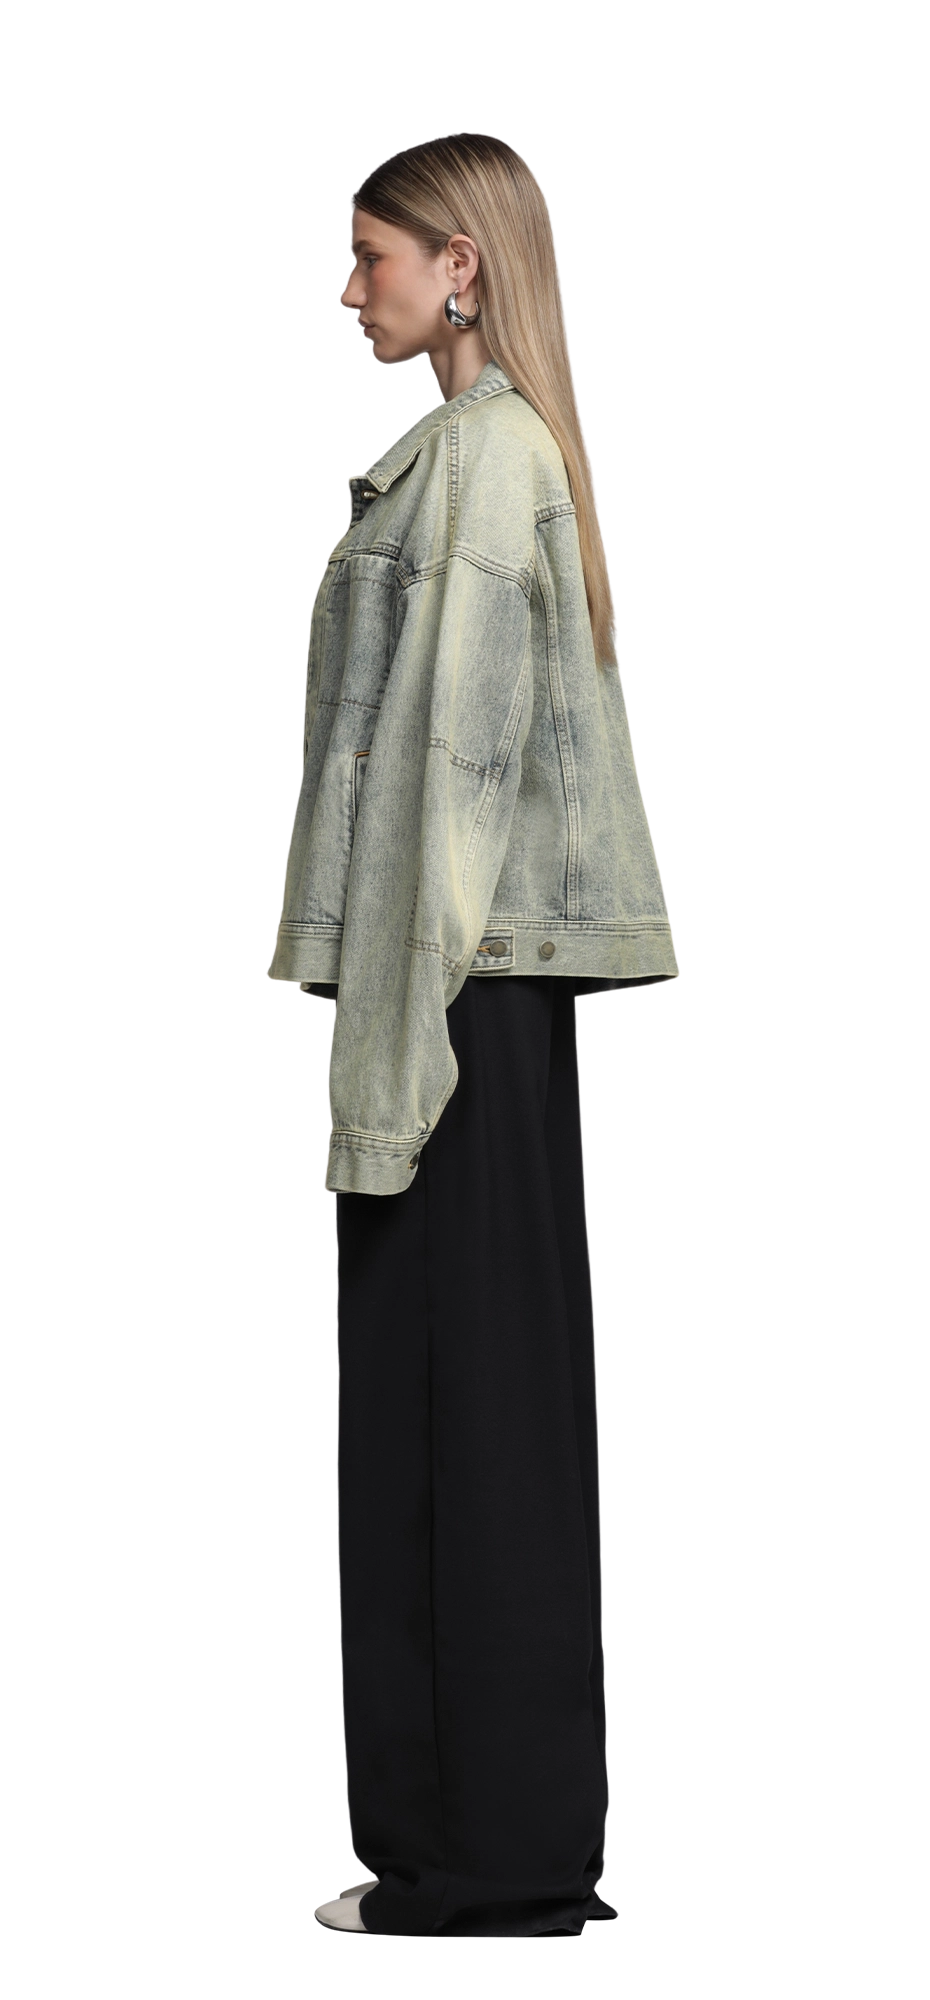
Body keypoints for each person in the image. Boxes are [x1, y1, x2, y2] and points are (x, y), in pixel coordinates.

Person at [266, 133, 677, 1941]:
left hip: (455, 984)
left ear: (461, 267)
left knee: (470, 1419)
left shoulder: (484, 468)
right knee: (441, 1413)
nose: (345, 290)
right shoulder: (456, 459)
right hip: (457, 974)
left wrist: (397, 1048)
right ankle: (461, 1848)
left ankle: (496, 1864)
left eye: (369, 257)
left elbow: (448, 778)